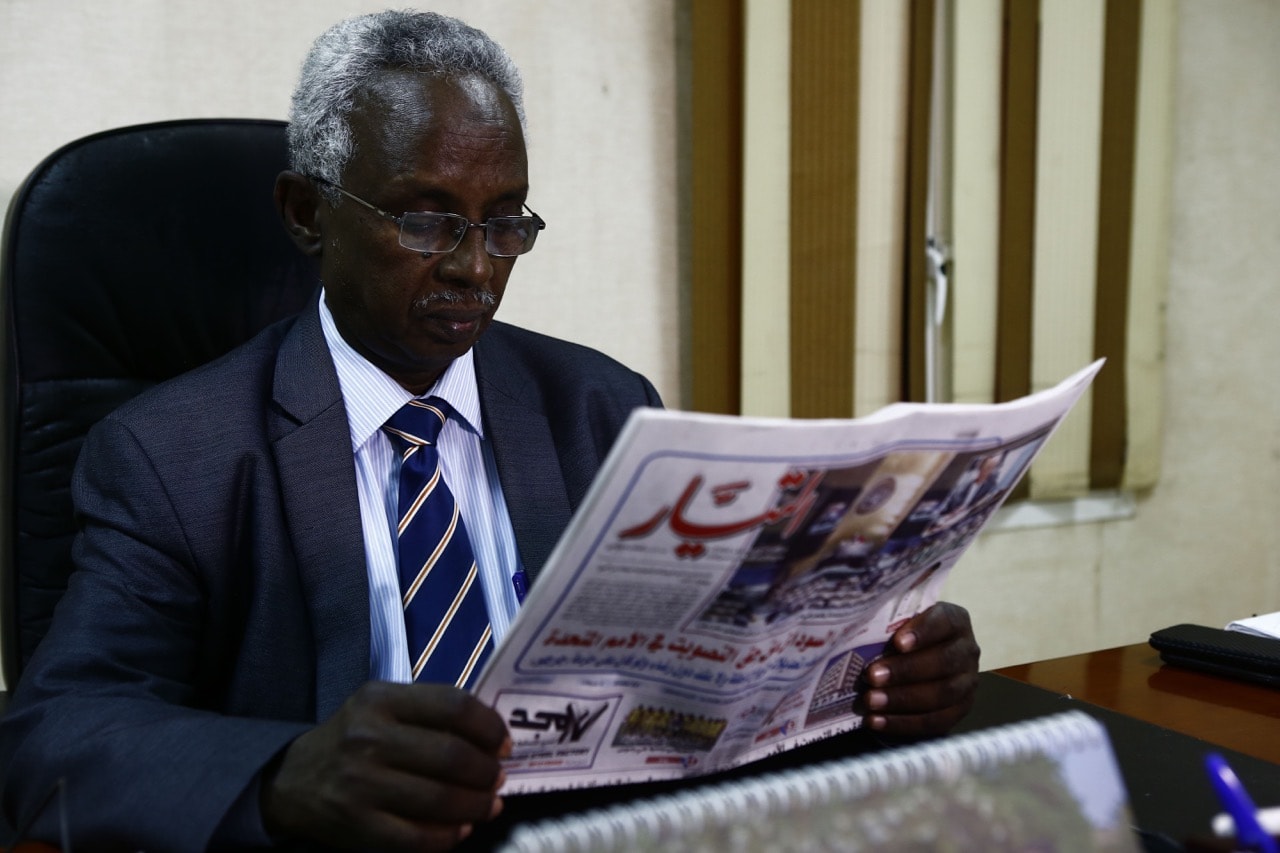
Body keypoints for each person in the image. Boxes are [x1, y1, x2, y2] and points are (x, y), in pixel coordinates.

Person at [0, 10, 980, 852]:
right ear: (306, 215)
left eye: (504, 221)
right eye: (426, 221)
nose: (475, 269)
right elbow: (55, 730)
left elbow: (714, 676)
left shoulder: (601, 407)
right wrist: (283, 774)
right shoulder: (172, 454)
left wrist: (879, 677)